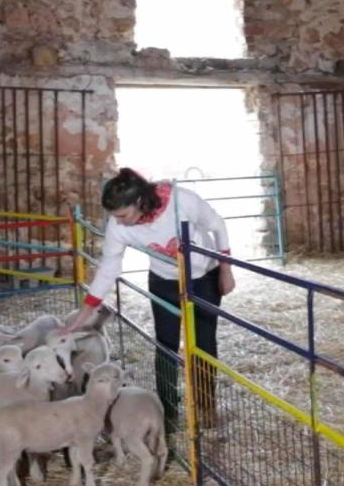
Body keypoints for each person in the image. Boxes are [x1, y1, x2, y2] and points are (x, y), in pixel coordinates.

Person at [62, 168, 235, 433]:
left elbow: (217, 224)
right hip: (164, 279)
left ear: (140, 202)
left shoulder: (181, 201)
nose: (118, 222)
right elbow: (109, 268)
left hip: (204, 276)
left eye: (123, 215)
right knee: (165, 345)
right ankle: (167, 411)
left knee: (204, 343)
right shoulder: (118, 225)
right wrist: (83, 317)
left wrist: (226, 269)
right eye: (114, 217)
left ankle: (205, 404)